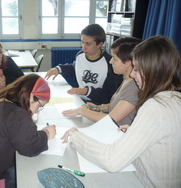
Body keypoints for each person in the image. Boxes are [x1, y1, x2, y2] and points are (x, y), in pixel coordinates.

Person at [62, 36, 181, 188]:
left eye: (137, 69)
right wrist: (135, 130)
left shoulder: (156, 107)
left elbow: (111, 161)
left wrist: (76, 136)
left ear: (152, 69)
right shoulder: (174, 98)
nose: (132, 74)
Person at [62, 37, 141, 125]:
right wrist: (99, 108)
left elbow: (111, 120)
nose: (111, 61)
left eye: (114, 59)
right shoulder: (127, 79)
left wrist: (81, 111)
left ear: (128, 63)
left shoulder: (133, 87)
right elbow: (116, 106)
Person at [45, 24, 122, 105]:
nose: (83, 47)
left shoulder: (110, 63)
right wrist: (59, 69)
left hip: (98, 105)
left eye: (88, 44)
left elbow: (108, 95)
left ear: (100, 44)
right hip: (80, 99)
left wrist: (86, 91)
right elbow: (75, 68)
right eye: (82, 42)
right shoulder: (80, 56)